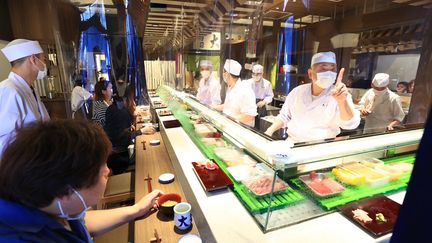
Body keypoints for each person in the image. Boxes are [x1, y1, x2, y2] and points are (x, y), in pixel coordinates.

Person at [0, 120, 162, 241]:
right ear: (67, 191)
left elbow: (79, 222)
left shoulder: (48, 203)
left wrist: (136, 209)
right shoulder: (18, 237)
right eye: (101, 169)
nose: (107, 171)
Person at [265, 51, 360, 143]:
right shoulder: (297, 91)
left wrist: (341, 102)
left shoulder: (341, 94)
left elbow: (351, 124)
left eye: (332, 69)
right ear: (310, 73)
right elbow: (284, 116)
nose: (328, 73)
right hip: (292, 144)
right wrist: (269, 131)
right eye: (323, 69)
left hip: (321, 149)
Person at [0, 39, 50, 159]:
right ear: (33, 59)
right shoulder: (9, 90)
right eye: (43, 59)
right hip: (23, 166)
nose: (44, 64)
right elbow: (5, 142)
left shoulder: (29, 89)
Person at [104, 85, 155, 174]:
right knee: (148, 159)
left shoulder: (112, 108)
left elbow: (117, 131)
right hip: (120, 158)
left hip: (112, 155)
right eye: (132, 97)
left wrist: (130, 126)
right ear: (127, 97)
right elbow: (121, 139)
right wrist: (141, 131)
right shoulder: (121, 112)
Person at [213, 59, 257, 127]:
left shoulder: (245, 90)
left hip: (241, 132)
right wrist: (214, 107)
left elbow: (250, 116)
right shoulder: (231, 88)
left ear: (226, 74)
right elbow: (229, 106)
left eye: (223, 72)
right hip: (229, 129)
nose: (223, 75)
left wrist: (228, 119)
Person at [245, 64, 274, 128]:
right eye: (254, 74)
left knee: (259, 126)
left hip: (261, 107)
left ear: (262, 73)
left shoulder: (267, 83)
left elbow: (270, 96)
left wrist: (264, 102)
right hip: (249, 105)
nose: (255, 76)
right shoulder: (247, 83)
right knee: (248, 124)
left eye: (258, 74)